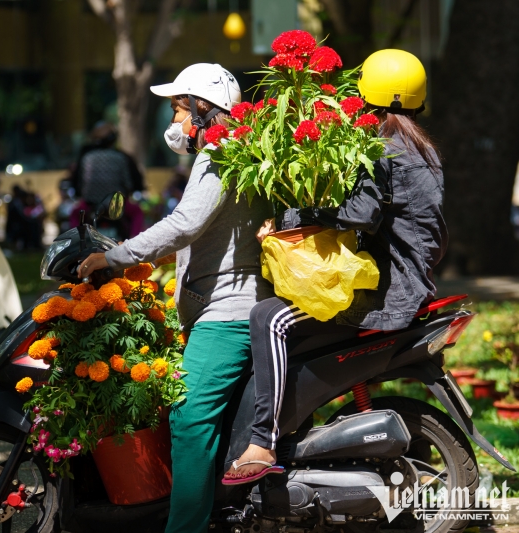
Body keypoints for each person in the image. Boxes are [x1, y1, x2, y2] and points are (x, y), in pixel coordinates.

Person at [225, 49, 448, 484]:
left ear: (364, 96)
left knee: (267, 317)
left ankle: (261, 442)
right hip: (411, 283)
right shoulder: (422, 149)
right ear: (418, 99)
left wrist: (297, 217)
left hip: (386, 294)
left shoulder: (382, 149)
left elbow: (361, 214)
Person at [77, 63, 275, 533]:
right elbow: (212, 234)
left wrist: (118, 257)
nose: (174, 122)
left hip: (227, 312)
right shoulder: (238, 152)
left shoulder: (221, 154)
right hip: (226, 303)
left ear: (204, 110)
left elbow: (186, 224)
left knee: (187, 419)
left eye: (178, 109)